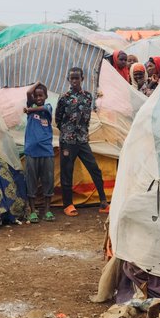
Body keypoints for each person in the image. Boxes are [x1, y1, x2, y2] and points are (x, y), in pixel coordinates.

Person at [55, 66, 109, 216]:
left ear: (82, 79)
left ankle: (103, 201)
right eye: (71, 78)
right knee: (67, 172)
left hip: (83, 140)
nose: (74, 81)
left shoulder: (88, 97)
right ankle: (68, 204)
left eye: (77, 78)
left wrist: (82, 133)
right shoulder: (64, 98)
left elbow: (87, 118)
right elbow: (58, 120)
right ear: (68, 80)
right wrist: (68, 132)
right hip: (68, 140)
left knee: (94, 169)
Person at [22, 82, 55, 223]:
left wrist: (29, 110)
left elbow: (43, 108)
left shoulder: (47, 108)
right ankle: (33, 210)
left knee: (48, 180)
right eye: (36, 96)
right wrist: (37, 83)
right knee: (31, 180)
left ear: (46, 96)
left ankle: (47, 210)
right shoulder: (31, 105)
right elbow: (28, 93)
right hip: (31, 150)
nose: (38, 98)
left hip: (46, 151)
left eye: (41, 95)